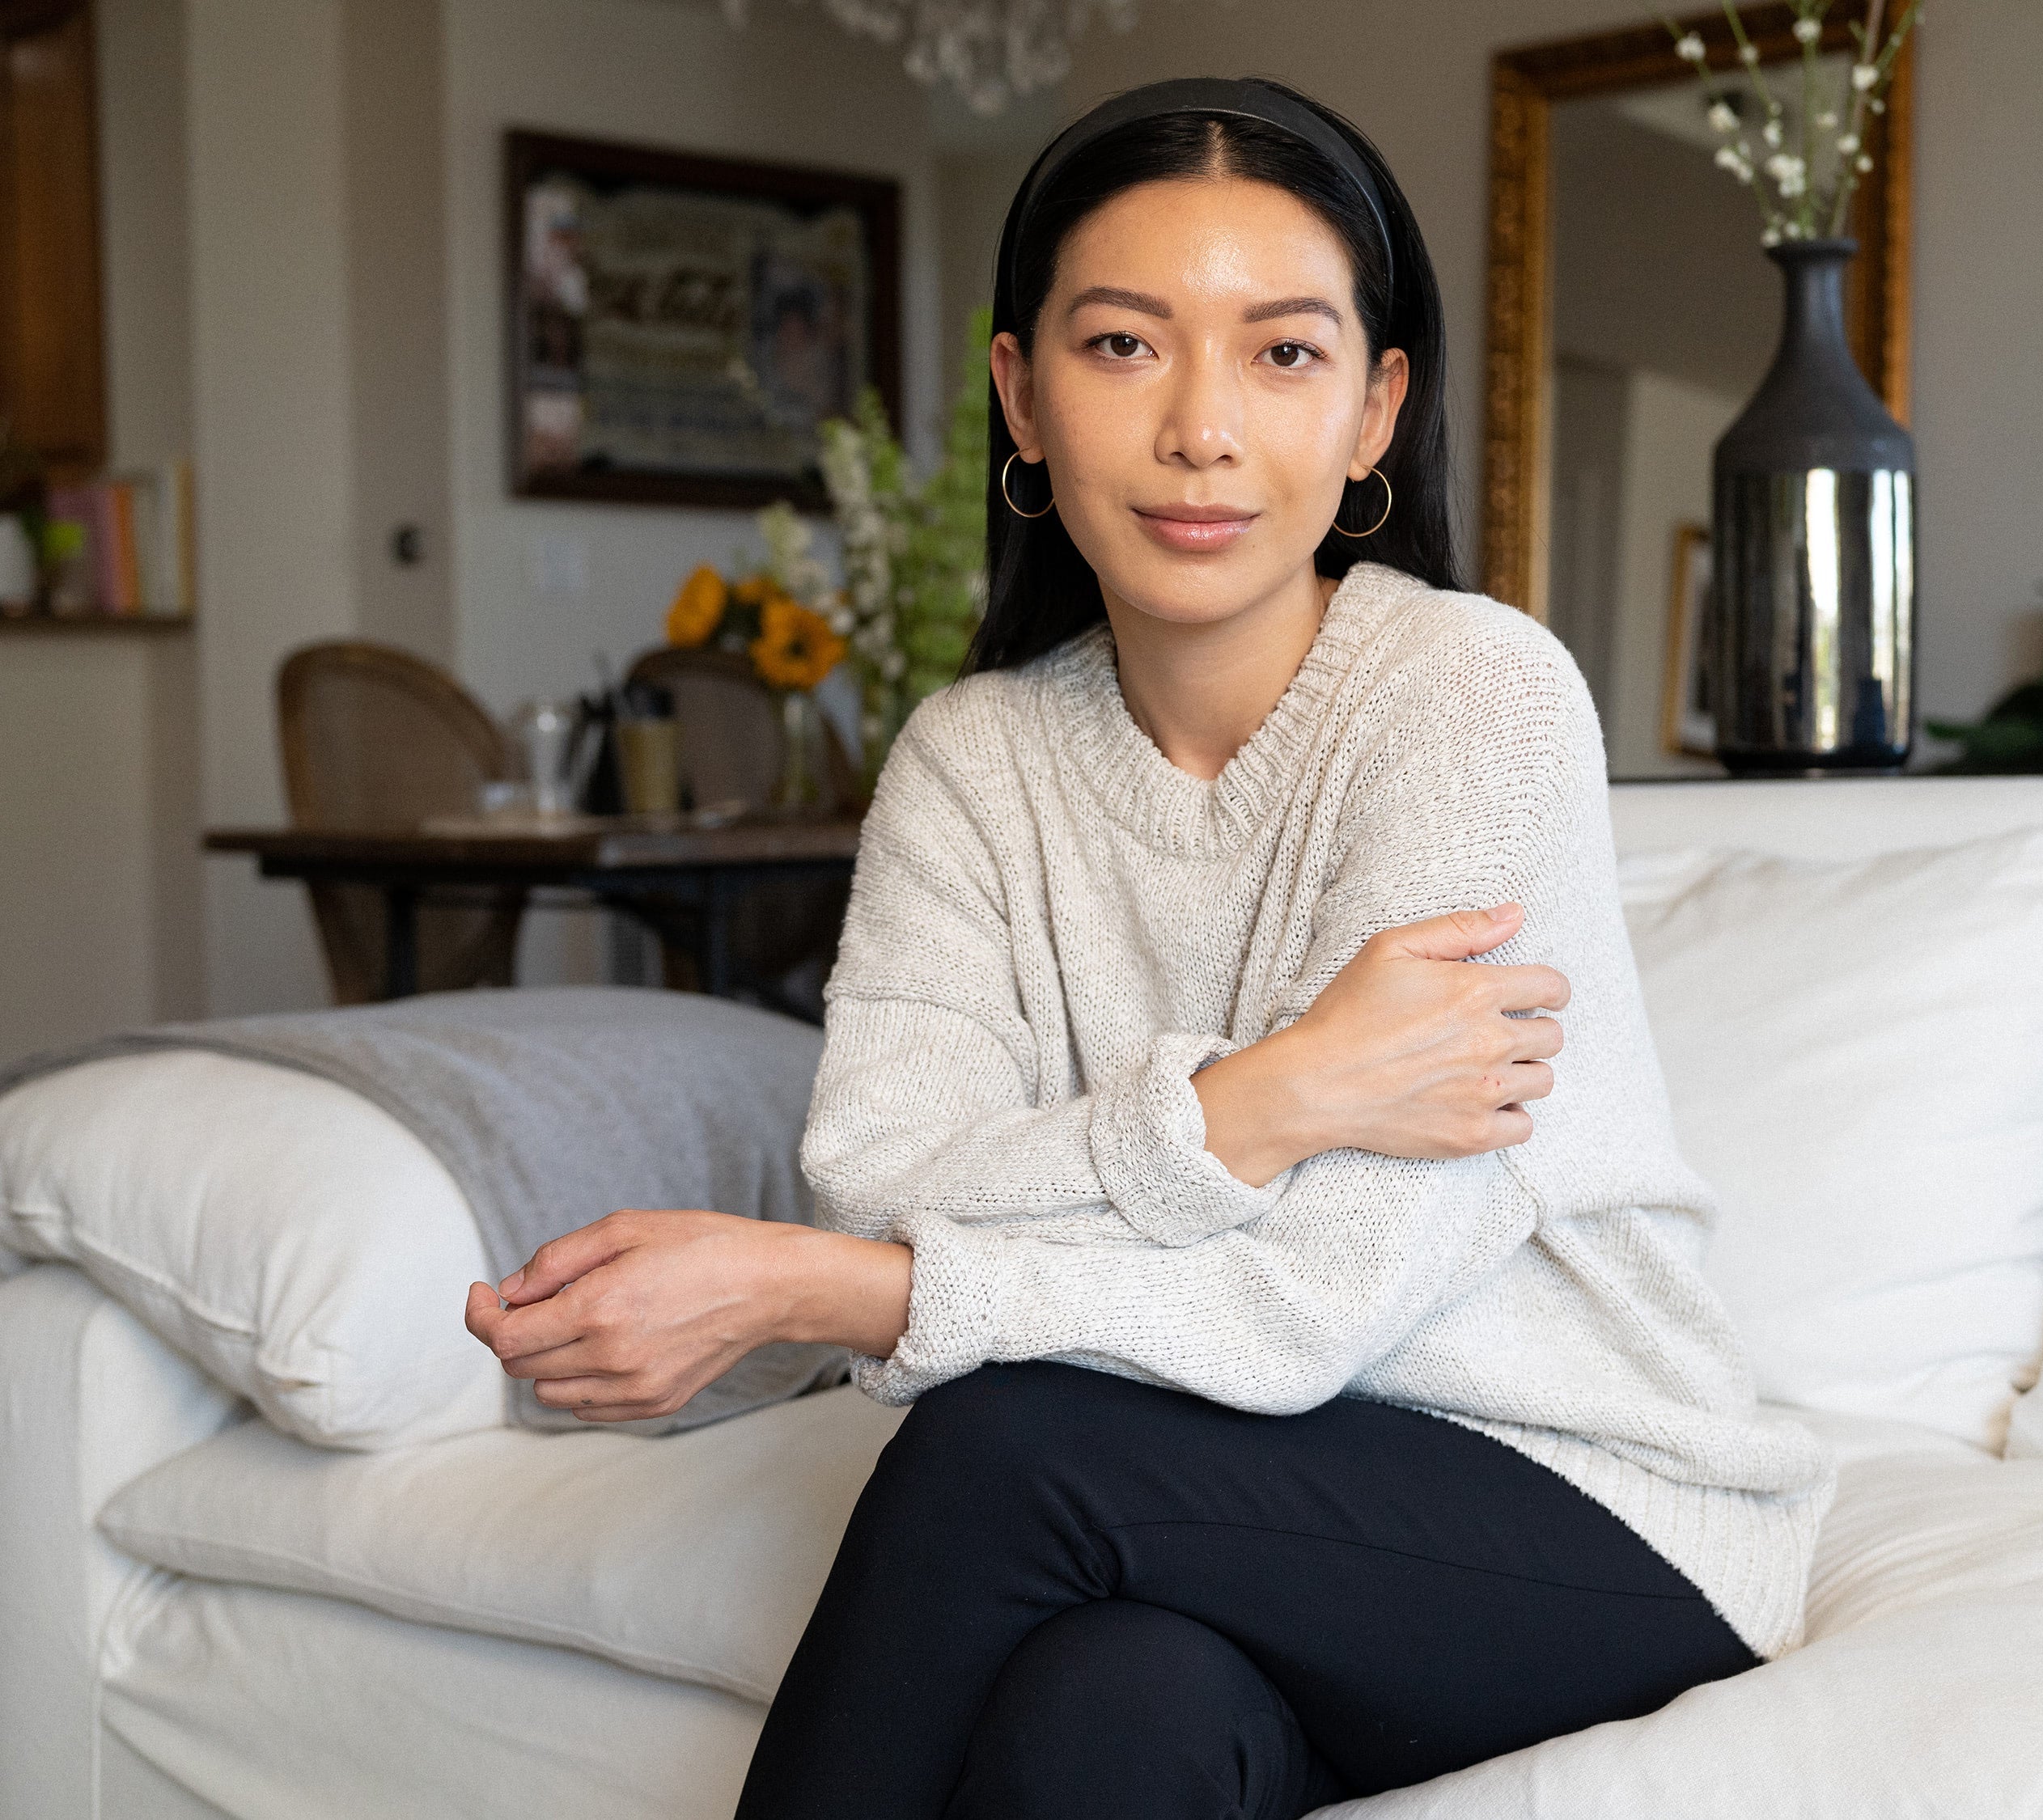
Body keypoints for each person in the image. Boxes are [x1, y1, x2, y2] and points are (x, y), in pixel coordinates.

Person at [465, 75, 1835, 1820]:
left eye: (1283, 354)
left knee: (1005, 1454)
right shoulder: (970, 761)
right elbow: (883, 1175)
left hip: (1593, 1511)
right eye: (1124, 346)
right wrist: (1266, 1100)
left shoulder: (1472, 699)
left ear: (1376, 411)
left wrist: (819, 1290)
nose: (1201, 428)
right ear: (1021, 395)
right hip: (1237, 1505)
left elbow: (1313, 1299)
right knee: (1112, 1710)